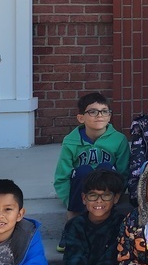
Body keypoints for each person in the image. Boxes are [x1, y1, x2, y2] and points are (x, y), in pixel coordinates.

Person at [52, 92, 130, 226]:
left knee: (105, 167)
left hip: (107, 193)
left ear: (109, 116)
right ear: (81, 118)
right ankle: (73, 224)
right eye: (93, 112)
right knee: (83, 170)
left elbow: (124, 173)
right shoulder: (71, 142)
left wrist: (116, 197)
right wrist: (70, 200)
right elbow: (62, 177)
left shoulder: (119, 140)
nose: (100, 115)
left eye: (104, 111)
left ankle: (108, 221)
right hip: (81, 194)